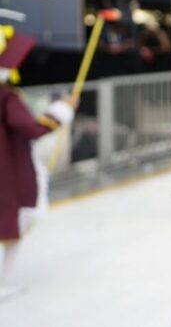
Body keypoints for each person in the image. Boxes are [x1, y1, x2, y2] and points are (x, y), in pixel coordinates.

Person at [0, 15, 75, 300]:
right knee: (10, 227)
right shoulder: (6, 97)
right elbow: (30, 128)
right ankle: (3, 282)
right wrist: (61, 111)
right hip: (7, 172)